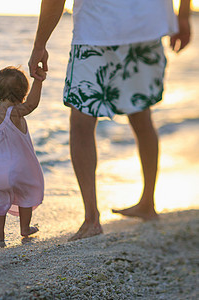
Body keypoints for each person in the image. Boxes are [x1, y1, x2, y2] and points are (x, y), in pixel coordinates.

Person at [28, 0, 191, 241]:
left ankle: (92, 218)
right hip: (147, 25)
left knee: (82, 120)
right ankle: (147, 203)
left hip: (98, 27)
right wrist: (183, 16)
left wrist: (40, 44)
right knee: (141, 113)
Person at [0, 66, 46, 243]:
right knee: (26, 195)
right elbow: (32, 105)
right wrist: (39, 81)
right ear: (22, 93)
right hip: (19, 170)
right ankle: (25, 228)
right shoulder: (15, 114)